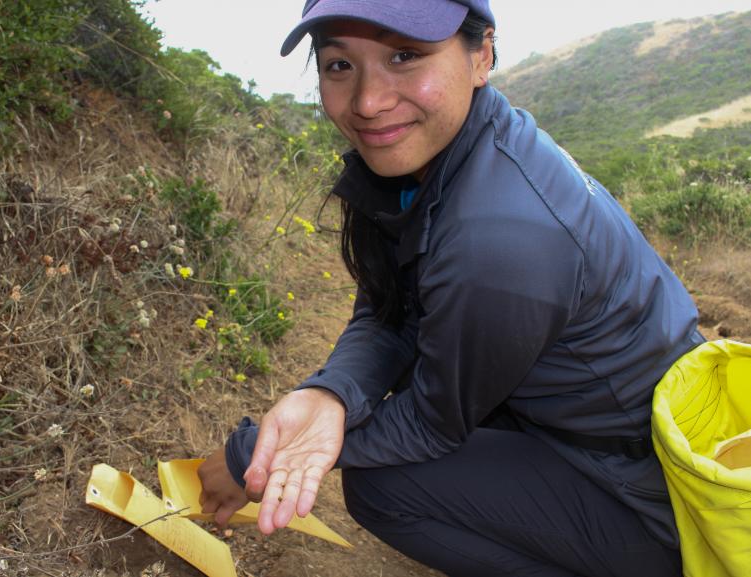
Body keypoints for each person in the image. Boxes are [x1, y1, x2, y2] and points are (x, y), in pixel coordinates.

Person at [197, 1, 705, 575]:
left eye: (405, 55)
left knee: (384, 487)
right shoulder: (450, 154)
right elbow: (394, 310)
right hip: (579, 429)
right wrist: (332, 394)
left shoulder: (500, 234)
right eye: (339, 65)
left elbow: (431, 423)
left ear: (481, 55)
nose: (368, 101)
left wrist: (252, 456)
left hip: (649, 491)